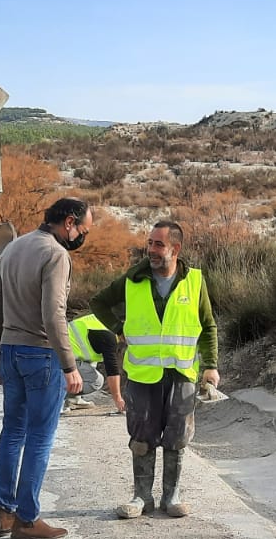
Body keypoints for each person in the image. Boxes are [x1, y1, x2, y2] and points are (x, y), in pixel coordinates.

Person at [89, 219, 219, 519]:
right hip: (143, 374)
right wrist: (119, 328)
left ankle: (171, 496)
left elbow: (208, 325)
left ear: (176, 248)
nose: (151, 250)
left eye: (158, 244)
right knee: (141, 436)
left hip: (181, 373)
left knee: (177, 436)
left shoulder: (195, 281)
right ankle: (141, 497)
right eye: (149, 243)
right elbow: (99, 302)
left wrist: (211, 366)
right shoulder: (133, 279)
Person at [0, 197, 92, 539]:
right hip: (42, 354)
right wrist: (69, 364)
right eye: (83, 230)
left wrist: (3, 347)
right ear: (69, 223)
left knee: (12, 432)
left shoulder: (14, 248)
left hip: (11, 348)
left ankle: (4, 512)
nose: (82, 237)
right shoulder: (56, 254)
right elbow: (53, 315)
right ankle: (28, 519)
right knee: (39, 437)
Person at [64, 312, 125, 412]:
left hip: (59, 352)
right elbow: (112, 371)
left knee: (92, 365)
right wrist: (118, 399)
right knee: (96, 381)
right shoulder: (108, 336)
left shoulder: (102, 320)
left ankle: (73, 399)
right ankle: (55, 396)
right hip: (62, 360)